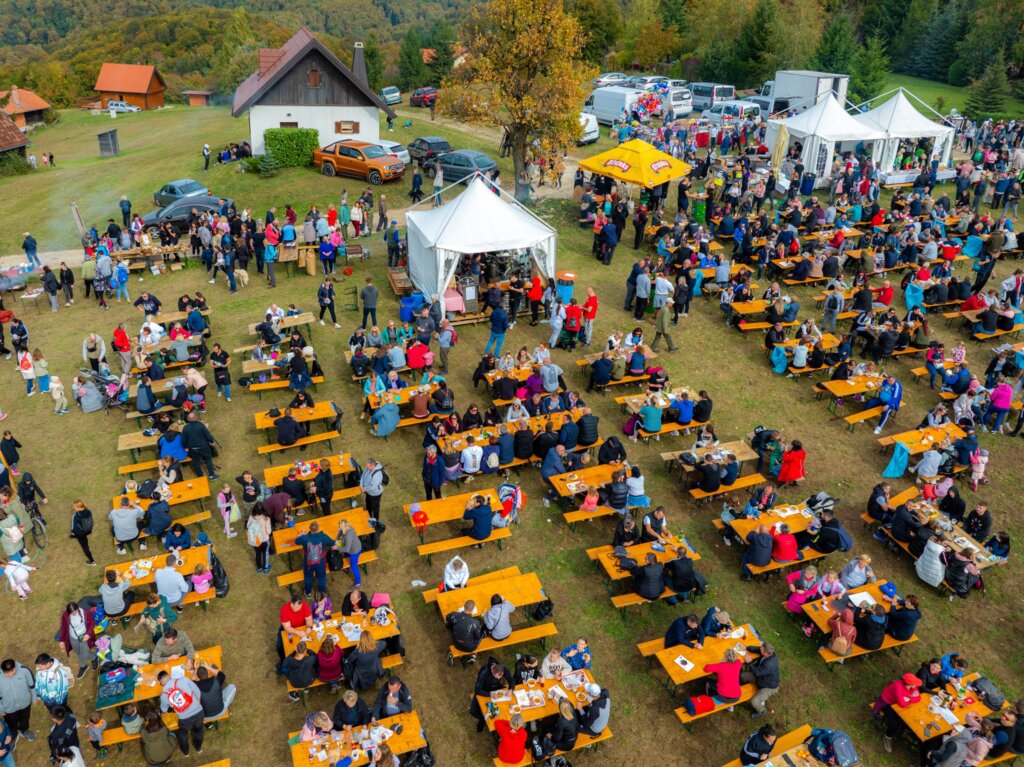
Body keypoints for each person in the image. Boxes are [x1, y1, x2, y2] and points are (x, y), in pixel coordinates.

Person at [874, 672, 923, 752]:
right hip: (886, 703)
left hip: (896, 704)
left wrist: (909, 699)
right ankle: (887, 737)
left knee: (907, 717)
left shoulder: (913, 687)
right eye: (914, 684)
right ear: (909, 684)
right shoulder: (898, 686)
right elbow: (902, 703)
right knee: (894, 723)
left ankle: (901, 731)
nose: (916, 686)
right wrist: (909, 698)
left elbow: (918, 697)